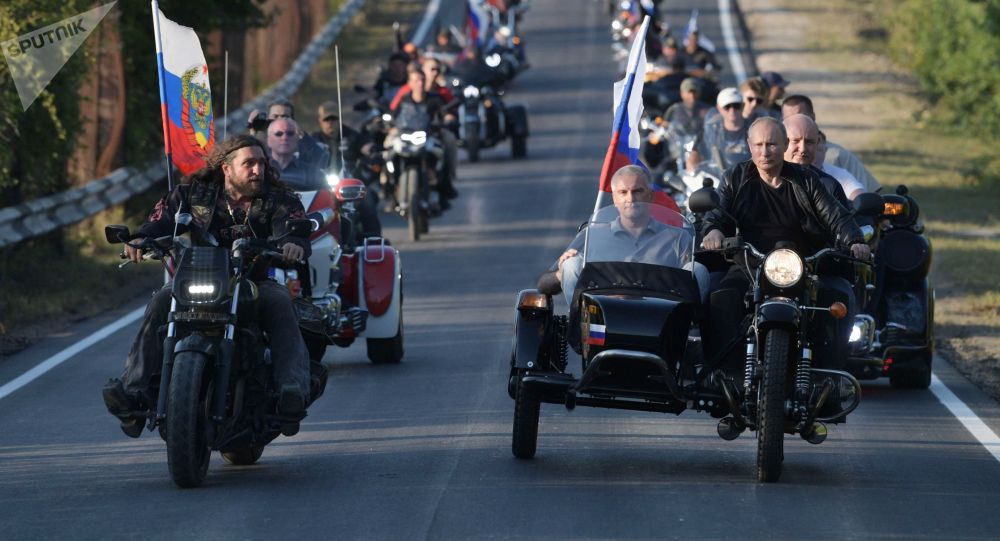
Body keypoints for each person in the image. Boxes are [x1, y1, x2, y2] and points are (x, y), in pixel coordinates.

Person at [101, 135, 313, 438]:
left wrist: (293, 243)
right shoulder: (192, 193)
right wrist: (140, 238)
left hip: (253, 282)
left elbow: (294, 226)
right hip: (199, 280)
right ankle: (133, 393)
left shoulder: (279, 197)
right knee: (161, 301)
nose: (258, 170)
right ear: (226, 167)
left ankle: (290, 391)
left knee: (280, 303)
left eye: (261, 163)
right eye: (249, 163)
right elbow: (159, 220)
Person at [700, 117, 869, 373]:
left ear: (783, 145)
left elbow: (835, 216)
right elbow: (717, 213)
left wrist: (855, 240)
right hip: (750, 264)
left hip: (803, 266)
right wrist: (712, 230)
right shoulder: (736, 177)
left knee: (837, 296)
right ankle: (725, 377)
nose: (765, 151)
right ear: (749, 145)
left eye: (772, 144)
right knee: (720, 300)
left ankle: (829, 375)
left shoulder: (807, 180)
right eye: (759, 145)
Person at [538, 165, 706, 303]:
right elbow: (543, 284)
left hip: (661, 322)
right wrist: (563, 271)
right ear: (614, 199)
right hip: (601, 322)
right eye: (623, 192)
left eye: (638, 191)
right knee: (571, 264)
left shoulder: (677, 238)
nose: (630, 198)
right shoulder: (592, 236)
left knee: (698, 269)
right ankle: (579, 340)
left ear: (651, 196)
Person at [781, 94, 881, 193]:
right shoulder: (772, 170)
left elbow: (862, 195)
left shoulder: (838, 156)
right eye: (788, 118)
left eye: (809, 142)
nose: (802, 149)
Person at [390, 68, 458, 203]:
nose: (419, 84)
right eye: (416, 81)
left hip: (430, 135)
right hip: (406, 135)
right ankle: (389, 186)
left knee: (448, 141)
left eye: (422, 80)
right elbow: (394, 117)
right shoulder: (404, 99)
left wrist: (448, 119)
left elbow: (445, 113)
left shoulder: (435, 99)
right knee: (388, 150)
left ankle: (446, 181)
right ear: (409, 83)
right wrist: (390, 126)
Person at [783, 114, 850, 208]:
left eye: (809, 142)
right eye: (796, 141)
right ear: (782, 141)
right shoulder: (762, 181)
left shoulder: (829, 187)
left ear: (818, 143)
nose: (802, 149)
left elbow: (843, 222)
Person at [248, 98, 330, 172]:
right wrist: (252, 132)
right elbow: (248, 161)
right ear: (268, 119)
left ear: (293, 120)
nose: (279, 120)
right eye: (275, 116)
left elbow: (321, 160)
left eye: (285, 117)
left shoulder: (302, 142)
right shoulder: (262, 143)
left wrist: (302, 135)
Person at [686, 87, 751, 175]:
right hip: (718, 181)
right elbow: (694, 156)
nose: (732, 110)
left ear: (742, 106)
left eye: (736, 106)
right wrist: (693, 174)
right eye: (727, 107)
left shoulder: (753, 129)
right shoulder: (710, 130)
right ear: (719, 108)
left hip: (747, 178)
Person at [267, 118, 326, 191]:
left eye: (290, 133)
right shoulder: (260, 169)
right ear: (269, 140)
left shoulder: (312, 173)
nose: (285, 138)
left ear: (298, 138)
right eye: (279, 134)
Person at [663, 77, 709, 164]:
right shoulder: (673, 110)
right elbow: (663, 127)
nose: (692, 96)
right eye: (689, 92)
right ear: (682, 93)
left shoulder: (707, 110)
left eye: (694, 92)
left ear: (699, 93)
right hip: (677, 155)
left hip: (702, 155)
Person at [313, 100, 367, 173]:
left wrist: (371, 150)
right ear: (320, 121)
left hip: (350, 177)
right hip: (323, 180)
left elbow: (365, 146)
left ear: (340, 118)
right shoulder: (314, 140)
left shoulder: (351, 135)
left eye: (333, 118)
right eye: (326, 119)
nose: (330, 122)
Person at [816, 130, 865, 200]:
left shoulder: (839, 174)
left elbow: (857, 193)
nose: (814, 155)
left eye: (818, 149)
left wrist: (861, 200)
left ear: (826, 150)